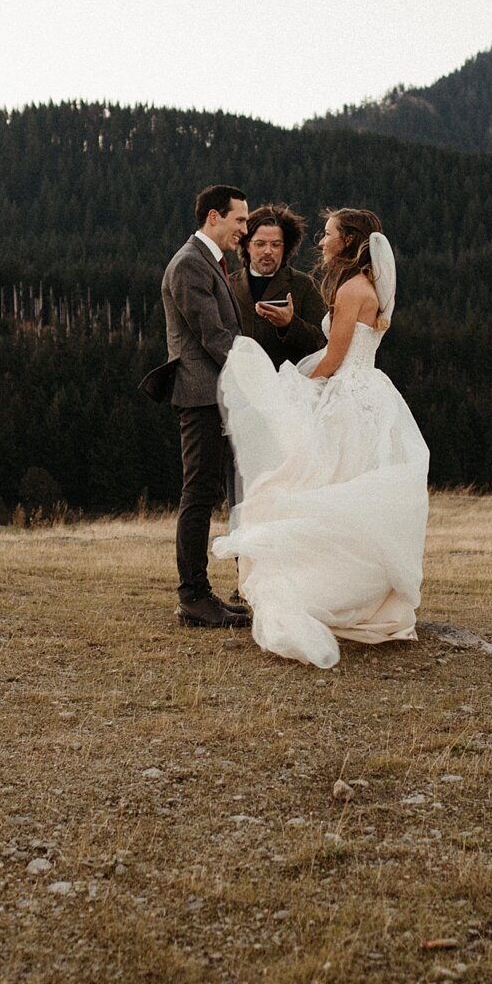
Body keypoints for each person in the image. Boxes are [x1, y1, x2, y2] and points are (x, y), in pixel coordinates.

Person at [211, 208, 429, 670]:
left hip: (348, 396)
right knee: (347, 490)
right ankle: (360, 593)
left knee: (328, 486)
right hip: (365, 393)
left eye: (329, 235)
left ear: (349, 241)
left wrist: (300, 383)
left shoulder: (352, 289)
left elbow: (335, 355)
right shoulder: (363, 287)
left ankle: (330, 592)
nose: (322, 242)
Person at [149, 184, 254, 630]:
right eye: (240, 220)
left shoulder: (207, 261)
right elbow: (212, 335)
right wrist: (256, 377)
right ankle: (192, 596)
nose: (245, 229)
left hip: (215, 395)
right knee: (198, 494)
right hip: (199, 396)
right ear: (214, 217)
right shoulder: (190, 263)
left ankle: (200, 594)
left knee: (207, 491)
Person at [228, 204, 327, 367]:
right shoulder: (228, 285)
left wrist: (289, 324)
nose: (268, 251)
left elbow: (321, 342)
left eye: (275, 244)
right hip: (238, 384)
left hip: (285, 385)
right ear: (247, 245)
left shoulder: (304, 286)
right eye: (260, 244)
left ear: (285, 247)